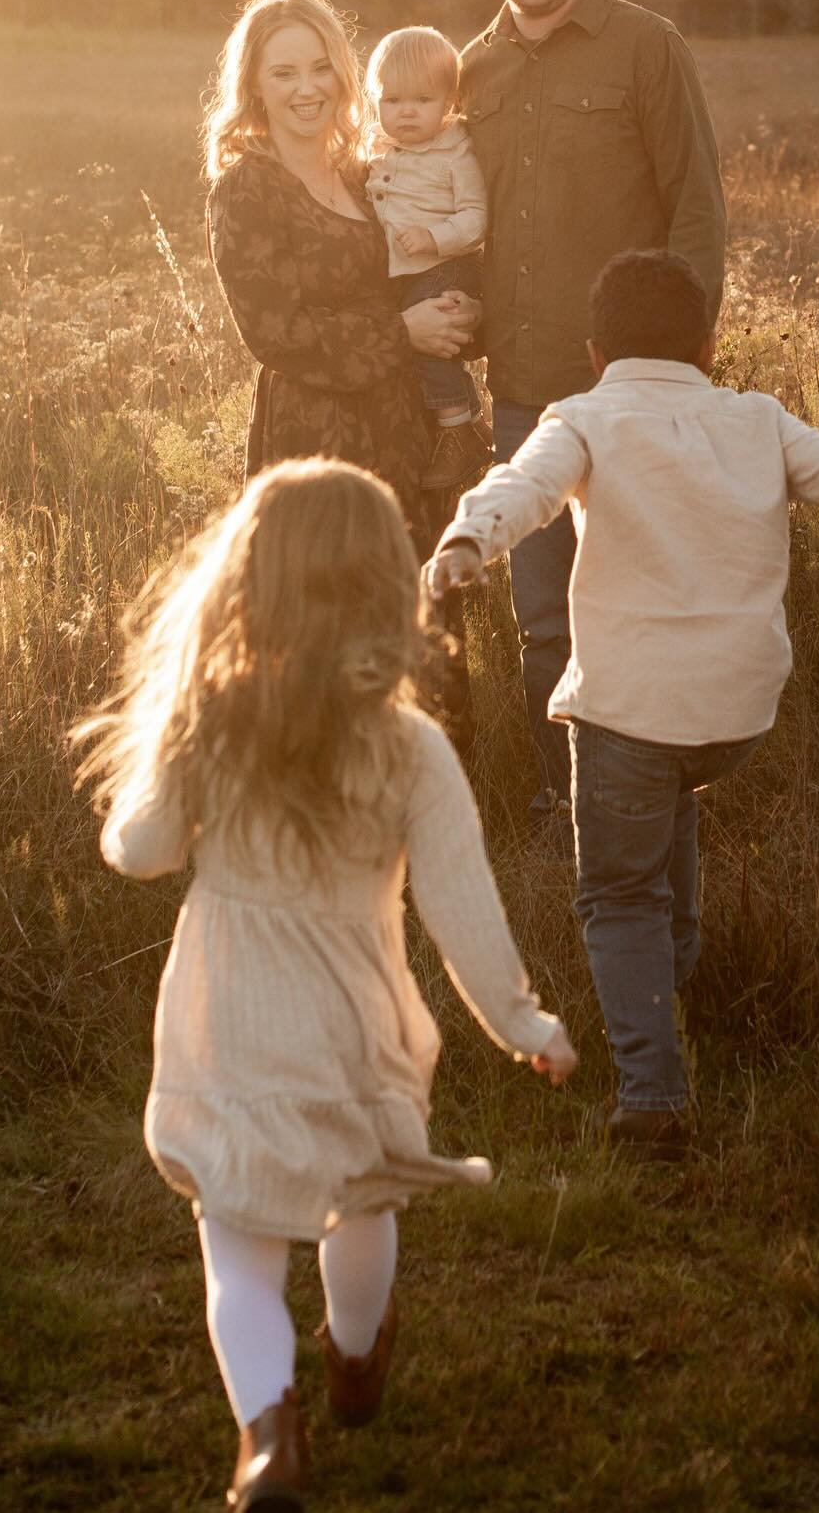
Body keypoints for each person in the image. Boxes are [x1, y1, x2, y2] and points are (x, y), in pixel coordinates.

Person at [427, 250, 819, 1158]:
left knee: (619, 892)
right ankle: (676, 1009)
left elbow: (524, 485)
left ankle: (652, 1095)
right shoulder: (757, 420)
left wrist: (469, 540)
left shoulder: (583, 417)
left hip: (633, 707)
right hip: (734, 715)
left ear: (594, 352)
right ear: (709, 343)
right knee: (663, 833)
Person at [73, 458, 576, 1512]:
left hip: (230, 1014)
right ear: (390, 587)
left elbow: (146, 849)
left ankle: (267, 1436)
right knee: (364, 1194)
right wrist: (522, 1018)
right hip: (358, 1018)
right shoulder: (412, 748)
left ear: (244, 583)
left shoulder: (209, 722)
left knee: (240, 1247)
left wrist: (129, 814)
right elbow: (461, 910)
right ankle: (353, 1355)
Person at [460, 0, 727, 819]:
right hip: (527, 388)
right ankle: (564, 800)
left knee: (646, 605)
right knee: (544, 617)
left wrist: (680, 366)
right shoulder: (471, 68)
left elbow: (697, 212)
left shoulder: (646, 48)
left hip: (636, 388)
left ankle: (659, 800)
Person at [204, 0, 477, 529]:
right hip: (318, 447)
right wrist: (403, 332)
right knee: (328, 601)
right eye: (284, 73)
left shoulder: (369, 173)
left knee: (418, 603)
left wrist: (463, 310)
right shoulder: (248, 189)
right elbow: (276, 335)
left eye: (321, 68)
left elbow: (420, 277)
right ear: (254, 84)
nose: (307, 89)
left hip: (411, 432)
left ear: (343, 76)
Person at [365, 26, 492, 493]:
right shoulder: (382, 149)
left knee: (431, 345)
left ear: (449, 103)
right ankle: (471, 425)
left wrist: (435, 237)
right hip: (408, 272)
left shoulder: (456, 151)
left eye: (421, 99)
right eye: (392, 100)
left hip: (448, 264)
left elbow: (477, 218)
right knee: (415, 346)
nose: (406, 112)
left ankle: (460, 427)